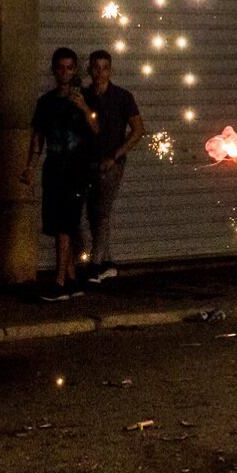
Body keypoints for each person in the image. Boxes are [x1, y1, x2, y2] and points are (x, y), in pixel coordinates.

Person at [21, 48, 97, 300]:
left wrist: (85, 109)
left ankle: (60, 281)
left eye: (69, 68)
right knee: (56, 223)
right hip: (54, 167)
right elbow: (38, 137)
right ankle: (72, 279)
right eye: (60, 67)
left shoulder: (83, 98)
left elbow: (98, 129)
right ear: (54, 70)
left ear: (75, 70)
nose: (65, 72)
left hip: (76, 169)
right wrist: (30, 166)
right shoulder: (46, 102)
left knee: (66, 223)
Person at [84, 48, 144, 284]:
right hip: (88, 162)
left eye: (104, 68)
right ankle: (107, 262)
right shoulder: (85, 96)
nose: (100, 73)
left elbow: (138, 130)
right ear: (90, 70)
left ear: (111, 70)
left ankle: (96, 265)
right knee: (93, 212)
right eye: (96, 68)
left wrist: (116, 155)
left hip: (111, 164)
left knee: (102, 211)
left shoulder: (122, 97)